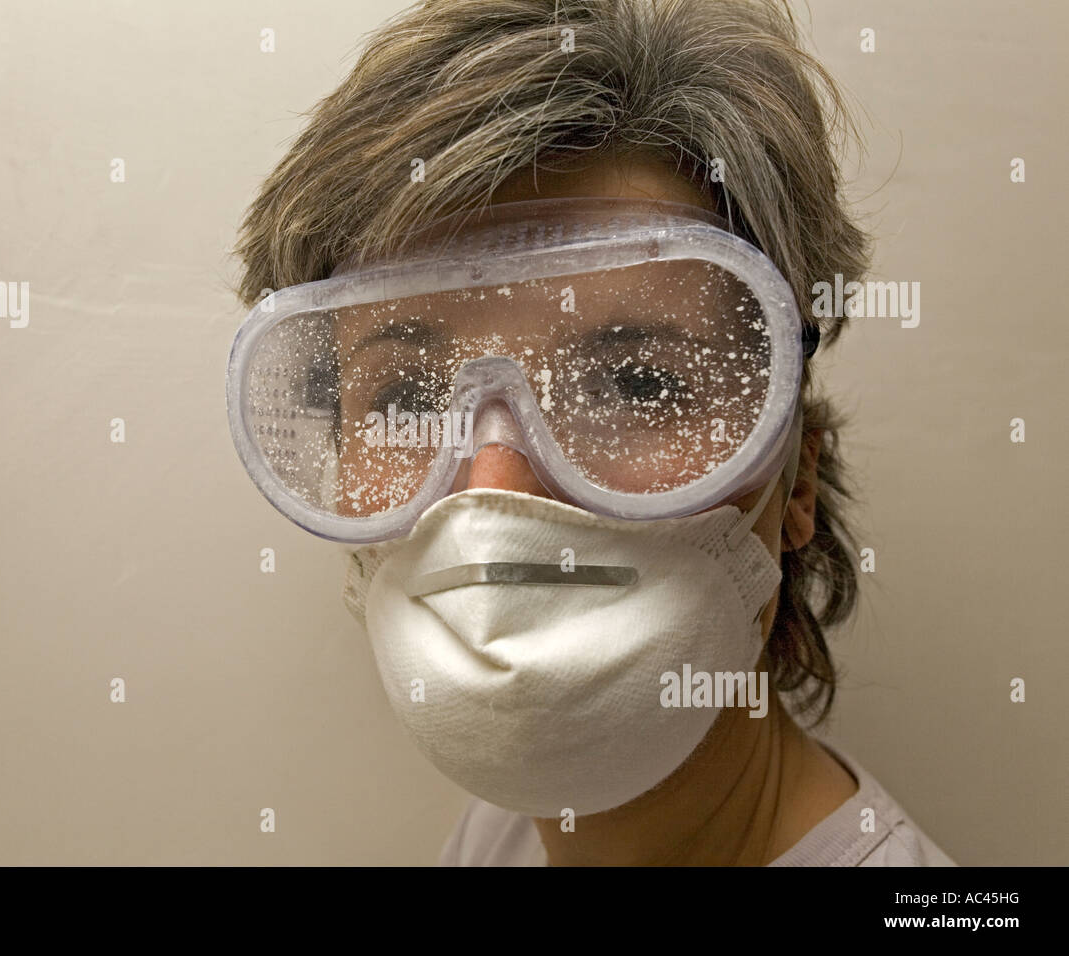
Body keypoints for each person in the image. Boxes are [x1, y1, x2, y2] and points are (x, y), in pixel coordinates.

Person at [227, 0, 956, 866]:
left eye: (636, 382)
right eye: (406, 403)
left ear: (795, 482)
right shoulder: (501, 837)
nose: (495, 487)